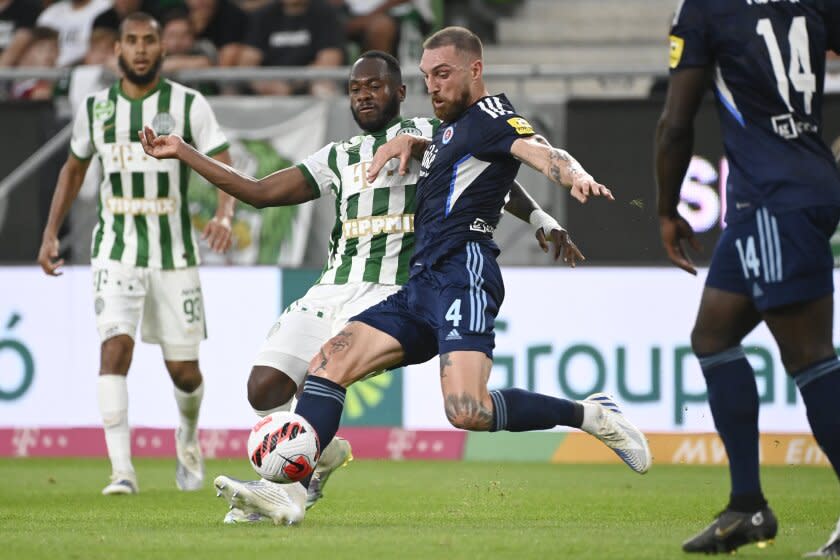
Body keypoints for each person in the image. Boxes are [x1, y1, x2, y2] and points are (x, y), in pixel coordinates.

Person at [194, 26, 650, 525]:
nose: (433, 85)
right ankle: (291, 494)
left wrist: (571, 176)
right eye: (428, 75)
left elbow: (539, 151)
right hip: (419, 284)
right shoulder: (446, 131)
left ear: (475, 70)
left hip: (464, 272)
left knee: (467, 411)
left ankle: (592, 416)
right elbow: (468, 166)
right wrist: (409, 142)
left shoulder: (492, 117)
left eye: (443, 74)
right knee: (329, 363)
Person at [655, 0, 840, 556]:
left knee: (809, 355)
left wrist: (667, 210)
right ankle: (747, 507)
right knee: (712, 336)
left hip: (771, 197)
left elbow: (675, 123)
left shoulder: (707, 9)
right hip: (788, 189)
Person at [37, 12, 235, 496]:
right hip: (115, 248)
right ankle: (121, 471)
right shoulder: (97, 108)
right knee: (114, 348)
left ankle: (187, 438)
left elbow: (222, 162)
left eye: (150, 40)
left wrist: (224, 214)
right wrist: (49, 234)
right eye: (132, 41)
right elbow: (73, 170)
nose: (141, 48)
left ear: (162, 50)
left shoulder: (188, 104)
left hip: (174, 253)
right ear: (117, 51)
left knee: (184, 371)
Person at [239, 0, 344, 96]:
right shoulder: (264, 15)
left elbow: (328, 62)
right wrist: (266, 85)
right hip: (269, 88)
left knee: (323, 88)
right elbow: (247, 64)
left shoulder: (325, 13)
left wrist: (291, 86)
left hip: (307, 86)